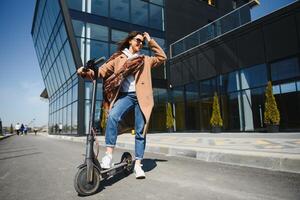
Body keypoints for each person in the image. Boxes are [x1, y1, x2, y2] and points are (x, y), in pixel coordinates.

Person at [77, 31, 167, 179]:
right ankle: (108, 155)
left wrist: (150, 41)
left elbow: (162, 57)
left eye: (142, 42)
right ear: (130, 41)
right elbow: (101, 71)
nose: (140, 43)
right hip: (126, 96)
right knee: (112, 116)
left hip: (142, 98)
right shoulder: (118, 58)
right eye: (138, 40)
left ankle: (138, 165)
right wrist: (85, 71)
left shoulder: (145, 59)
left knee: (140, 132)